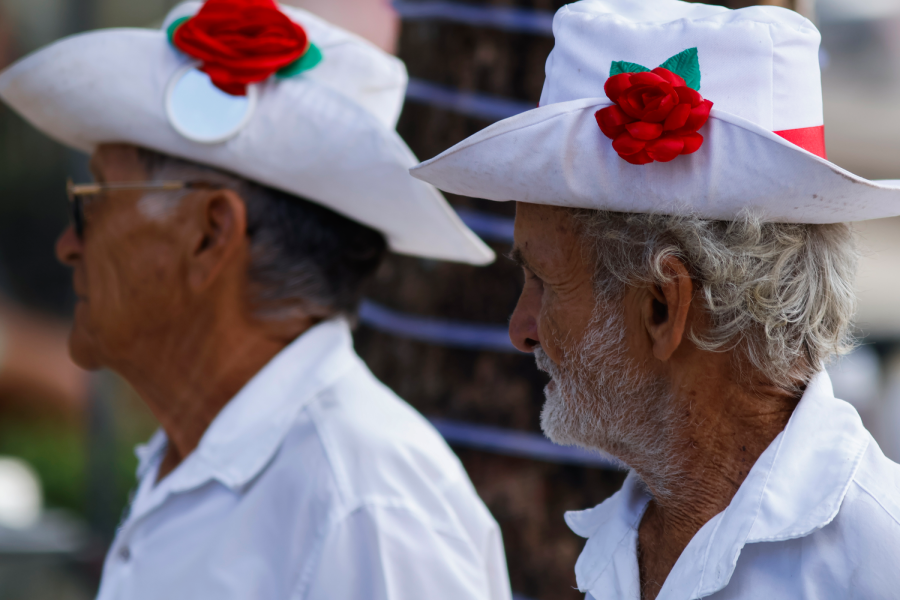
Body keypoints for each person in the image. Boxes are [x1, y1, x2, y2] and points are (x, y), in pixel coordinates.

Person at [0, 1, 513, 599]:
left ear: (210, 234)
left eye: (94, 202)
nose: (69, 244)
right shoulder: (227, 462)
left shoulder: (363, 503)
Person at [411, 0, 900, 598]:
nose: (521, 327)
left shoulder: (879, 557)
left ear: (665, 306)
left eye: (543, 281)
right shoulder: (628, 534)